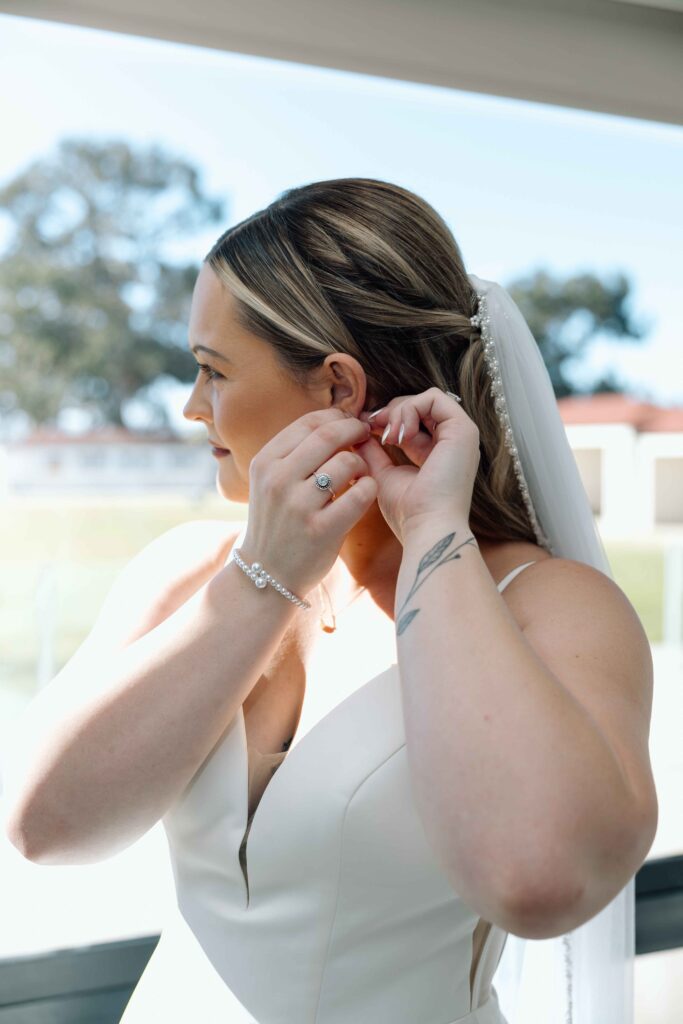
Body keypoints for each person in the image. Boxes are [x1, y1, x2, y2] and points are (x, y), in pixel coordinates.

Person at [4, 178, 657, 1024]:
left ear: (337, 390)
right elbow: (43, 830)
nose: (189, 405)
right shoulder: (187, 572)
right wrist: (258, 578)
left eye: (212, 370)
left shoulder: (550, 607)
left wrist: (431, 534)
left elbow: (538, 882)